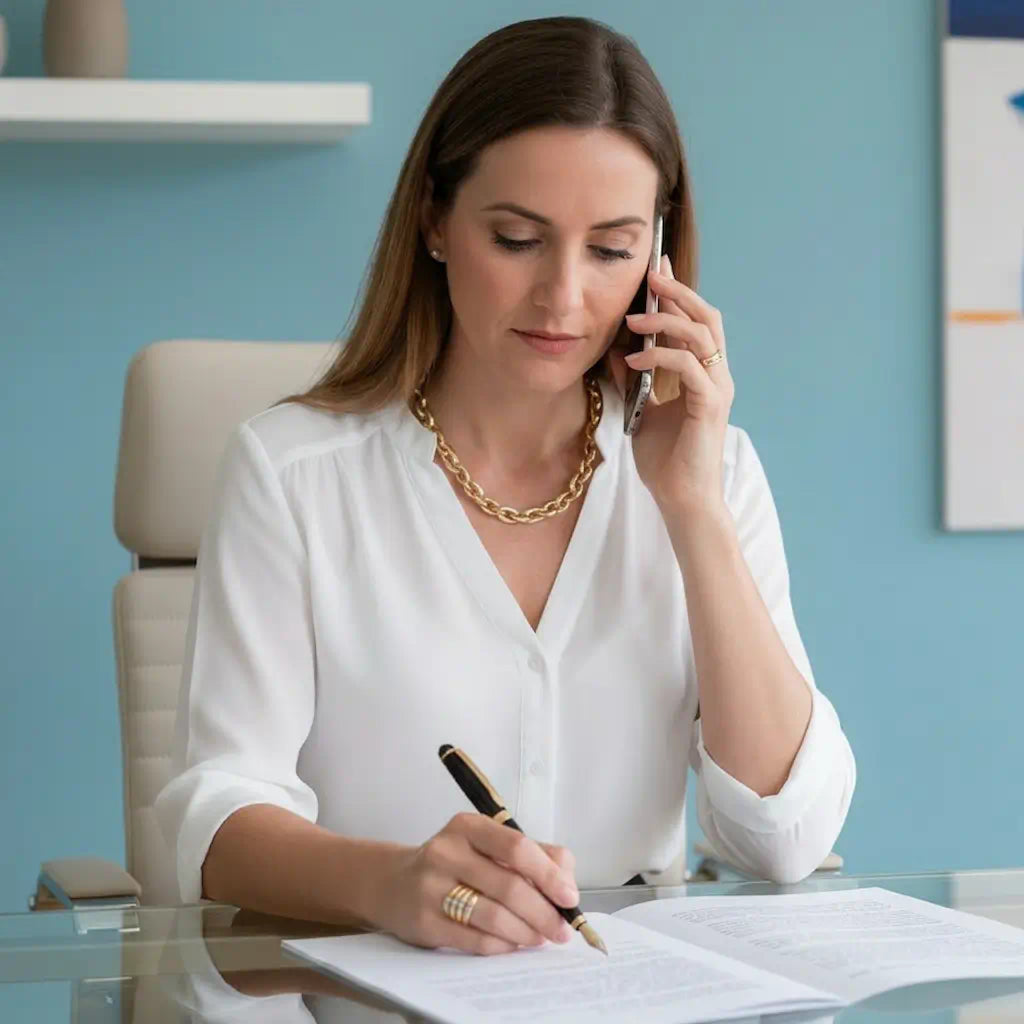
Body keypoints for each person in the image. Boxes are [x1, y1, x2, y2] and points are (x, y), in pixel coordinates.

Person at [156, 15, 856, 958]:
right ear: (436, 222)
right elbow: (213, 815)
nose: (563, 297)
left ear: (659, 260)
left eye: (610, 250)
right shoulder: (291, 474)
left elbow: (785, 839)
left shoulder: (713, 472)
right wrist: (391, 884)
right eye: (519, 238)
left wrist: (691, 510)